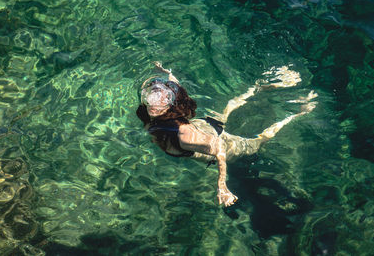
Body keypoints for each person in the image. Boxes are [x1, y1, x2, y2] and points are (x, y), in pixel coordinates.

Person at [136, 62, 318, 207]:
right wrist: (166, 72)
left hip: (210, 137)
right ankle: (259, 87)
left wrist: (221, 186)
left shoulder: (183, 134)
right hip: (204, 125)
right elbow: (176, 86)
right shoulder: (156, 112)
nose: (152, 104)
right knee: (229, 107)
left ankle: (299, 112)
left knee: (261, 139)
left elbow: (220, 148)